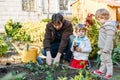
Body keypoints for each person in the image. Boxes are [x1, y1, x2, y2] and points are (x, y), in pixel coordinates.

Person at [91, 8, 119, 79]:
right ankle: (101, 70)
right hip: (103, 48)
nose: (98, 21)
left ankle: (109, 74)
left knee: (108, 61)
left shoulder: (109, 26)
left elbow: (109, 38)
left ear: (103, 17)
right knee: (103, 60)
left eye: (98, 19)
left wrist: (106, 49)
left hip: (106, 48)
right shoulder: (105, 25)